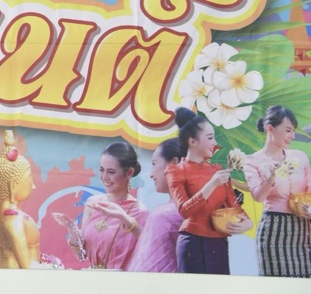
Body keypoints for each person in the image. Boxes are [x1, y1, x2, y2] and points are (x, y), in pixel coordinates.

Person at [165, 107, 253, 274]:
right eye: (210, 138)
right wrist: (211, 185)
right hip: (192, 242)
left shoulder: (217, 171)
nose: (215, 143)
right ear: (192, 142)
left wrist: (248, 223)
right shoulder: (176, 171)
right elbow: (184, 211)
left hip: (219, 243)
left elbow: (234, 206)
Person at [53, 142, 148, 270]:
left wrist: (124, 218)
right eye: (102, 170)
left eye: (111, 172)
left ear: (129, 173)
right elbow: (81, 255)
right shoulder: (93, 203)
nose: (104, 177)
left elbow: (150, 249)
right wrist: (71, 228)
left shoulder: (138, 211)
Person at [243, 105, 311, 277]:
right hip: (272, 232)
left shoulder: (300, 157)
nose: (292, 136)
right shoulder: (252, 161)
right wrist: (270, 176)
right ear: (270, 129)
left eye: (293, 131)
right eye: (288, 130)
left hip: (302, 232)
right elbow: (258, 196)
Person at [0, 130, 46, 269]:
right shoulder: (13, 220)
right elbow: (26, 269)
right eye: (29, 180)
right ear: (14, 185)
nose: (33, 186)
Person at [128, 137, 183, 273]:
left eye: (154, 164)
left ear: (174, 164)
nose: (151, 174)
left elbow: (145, 270)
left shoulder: (164, 215)